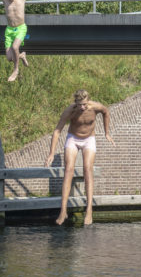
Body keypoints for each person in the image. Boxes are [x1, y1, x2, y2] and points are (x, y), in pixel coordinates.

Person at [44, 89, 115, 226]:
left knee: (88, 169)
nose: (82, 107)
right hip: (73, 138)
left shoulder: (95, 107)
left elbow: (106, 112)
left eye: (85, 104)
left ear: (88, 101)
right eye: (79, 104)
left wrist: (107, 133)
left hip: (89, 139)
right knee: (68, 169)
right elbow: (57, 130)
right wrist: (51, 153)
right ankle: (63, 210)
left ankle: (89, 210)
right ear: (75, 102)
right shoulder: (70, 111)